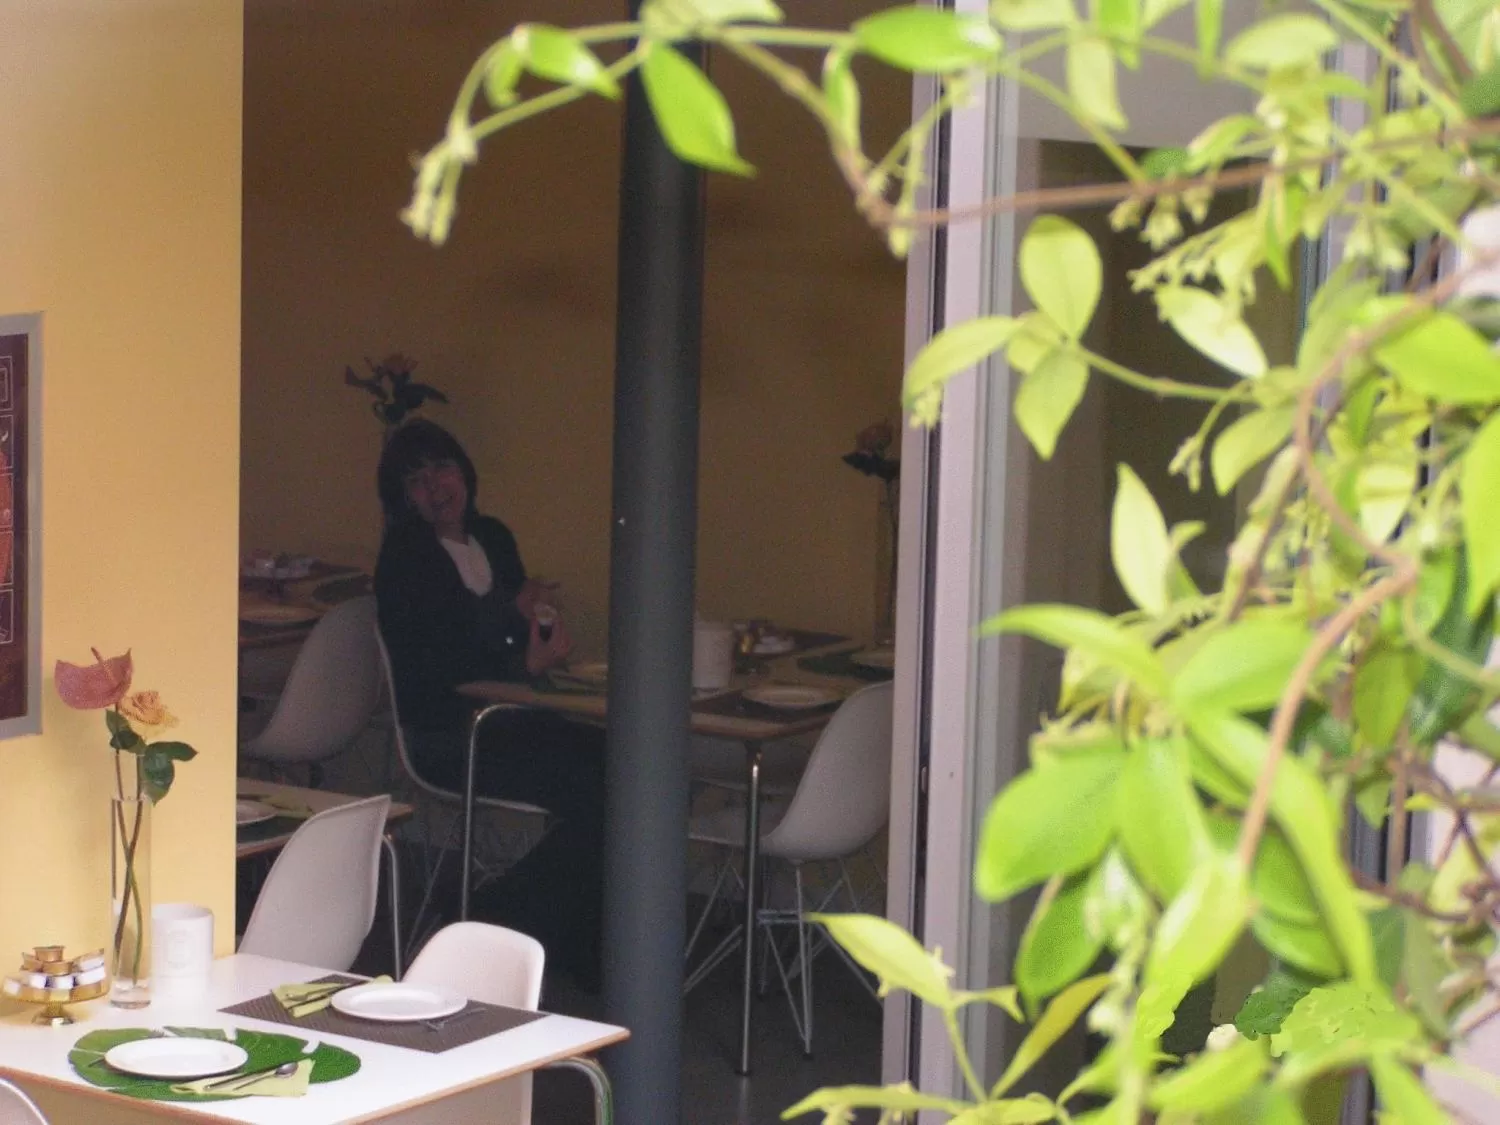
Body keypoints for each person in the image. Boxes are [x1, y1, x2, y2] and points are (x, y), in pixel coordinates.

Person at [374, 419, 604, 991]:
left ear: (465, 472)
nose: (436, 487)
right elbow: (441, 655)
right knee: (598, 789)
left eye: (443, 469)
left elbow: (506, 648)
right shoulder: (406, 555)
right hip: (448, 732)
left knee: (618, 770)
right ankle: (505, 918)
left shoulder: (494, 538)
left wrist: (537, 649)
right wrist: (510, 615)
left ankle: (519, 918)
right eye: (417, 480)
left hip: (508, 716)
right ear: (403, 498)